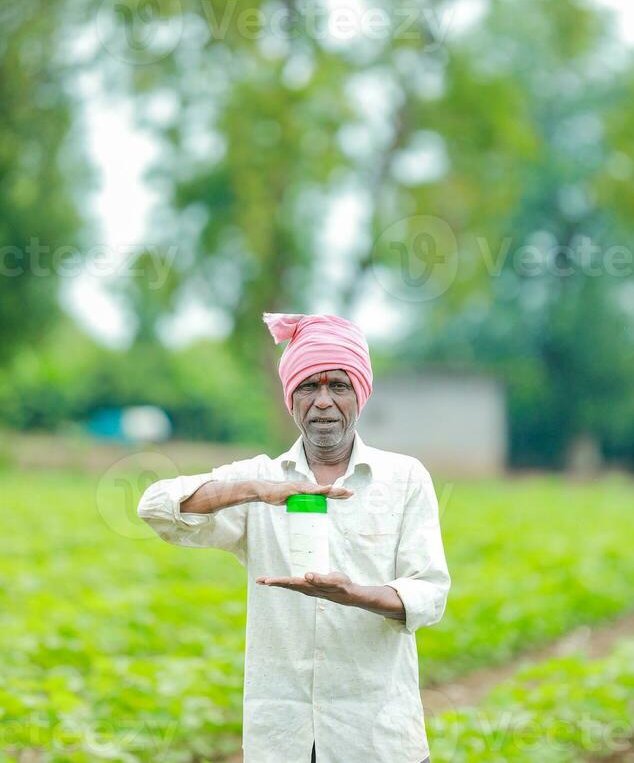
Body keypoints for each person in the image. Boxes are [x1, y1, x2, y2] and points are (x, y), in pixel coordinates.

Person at [137, 311, 451, 763]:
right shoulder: (260, 478)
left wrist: (355, 595)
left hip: (378, 739)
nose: (323, 401)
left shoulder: (403, 478)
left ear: (360, 394)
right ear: (291, 398)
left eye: (338, 385)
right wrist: (254, 491)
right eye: (309, 386)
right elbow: (154, 505)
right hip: (282, 739)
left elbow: (429, 593)